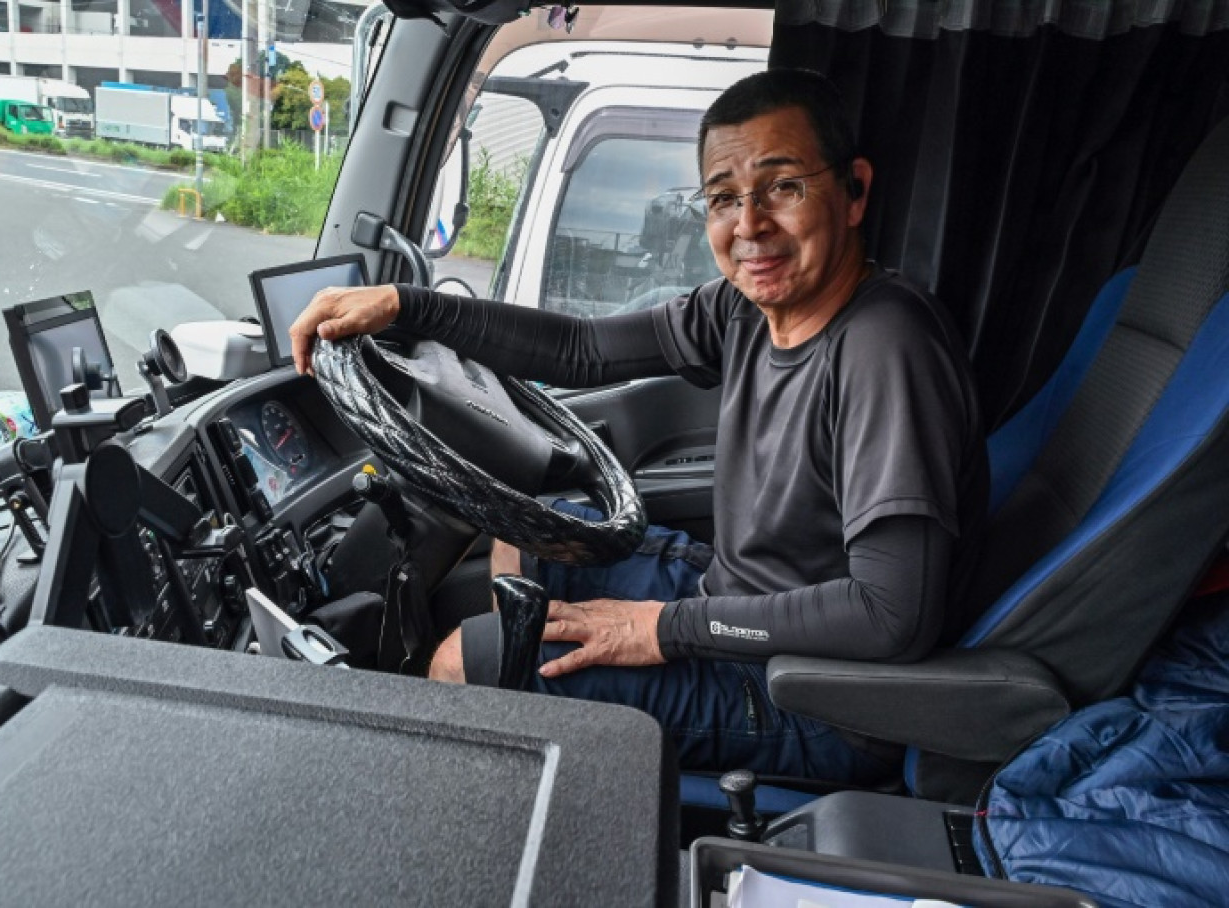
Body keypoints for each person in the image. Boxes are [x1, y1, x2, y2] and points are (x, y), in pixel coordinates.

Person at [288, 69, 988, 785]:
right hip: (735, 602)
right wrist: (410, 306)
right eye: (722, 199)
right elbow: (581, 350)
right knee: (529, 533)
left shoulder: (887, 348)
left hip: (811, 693)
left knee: (464, 663)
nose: (750, 225)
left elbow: (889, 615)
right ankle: (548, 751)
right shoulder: (744, 310)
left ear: (854, 192)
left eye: (783, 186)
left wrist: (658, 630)